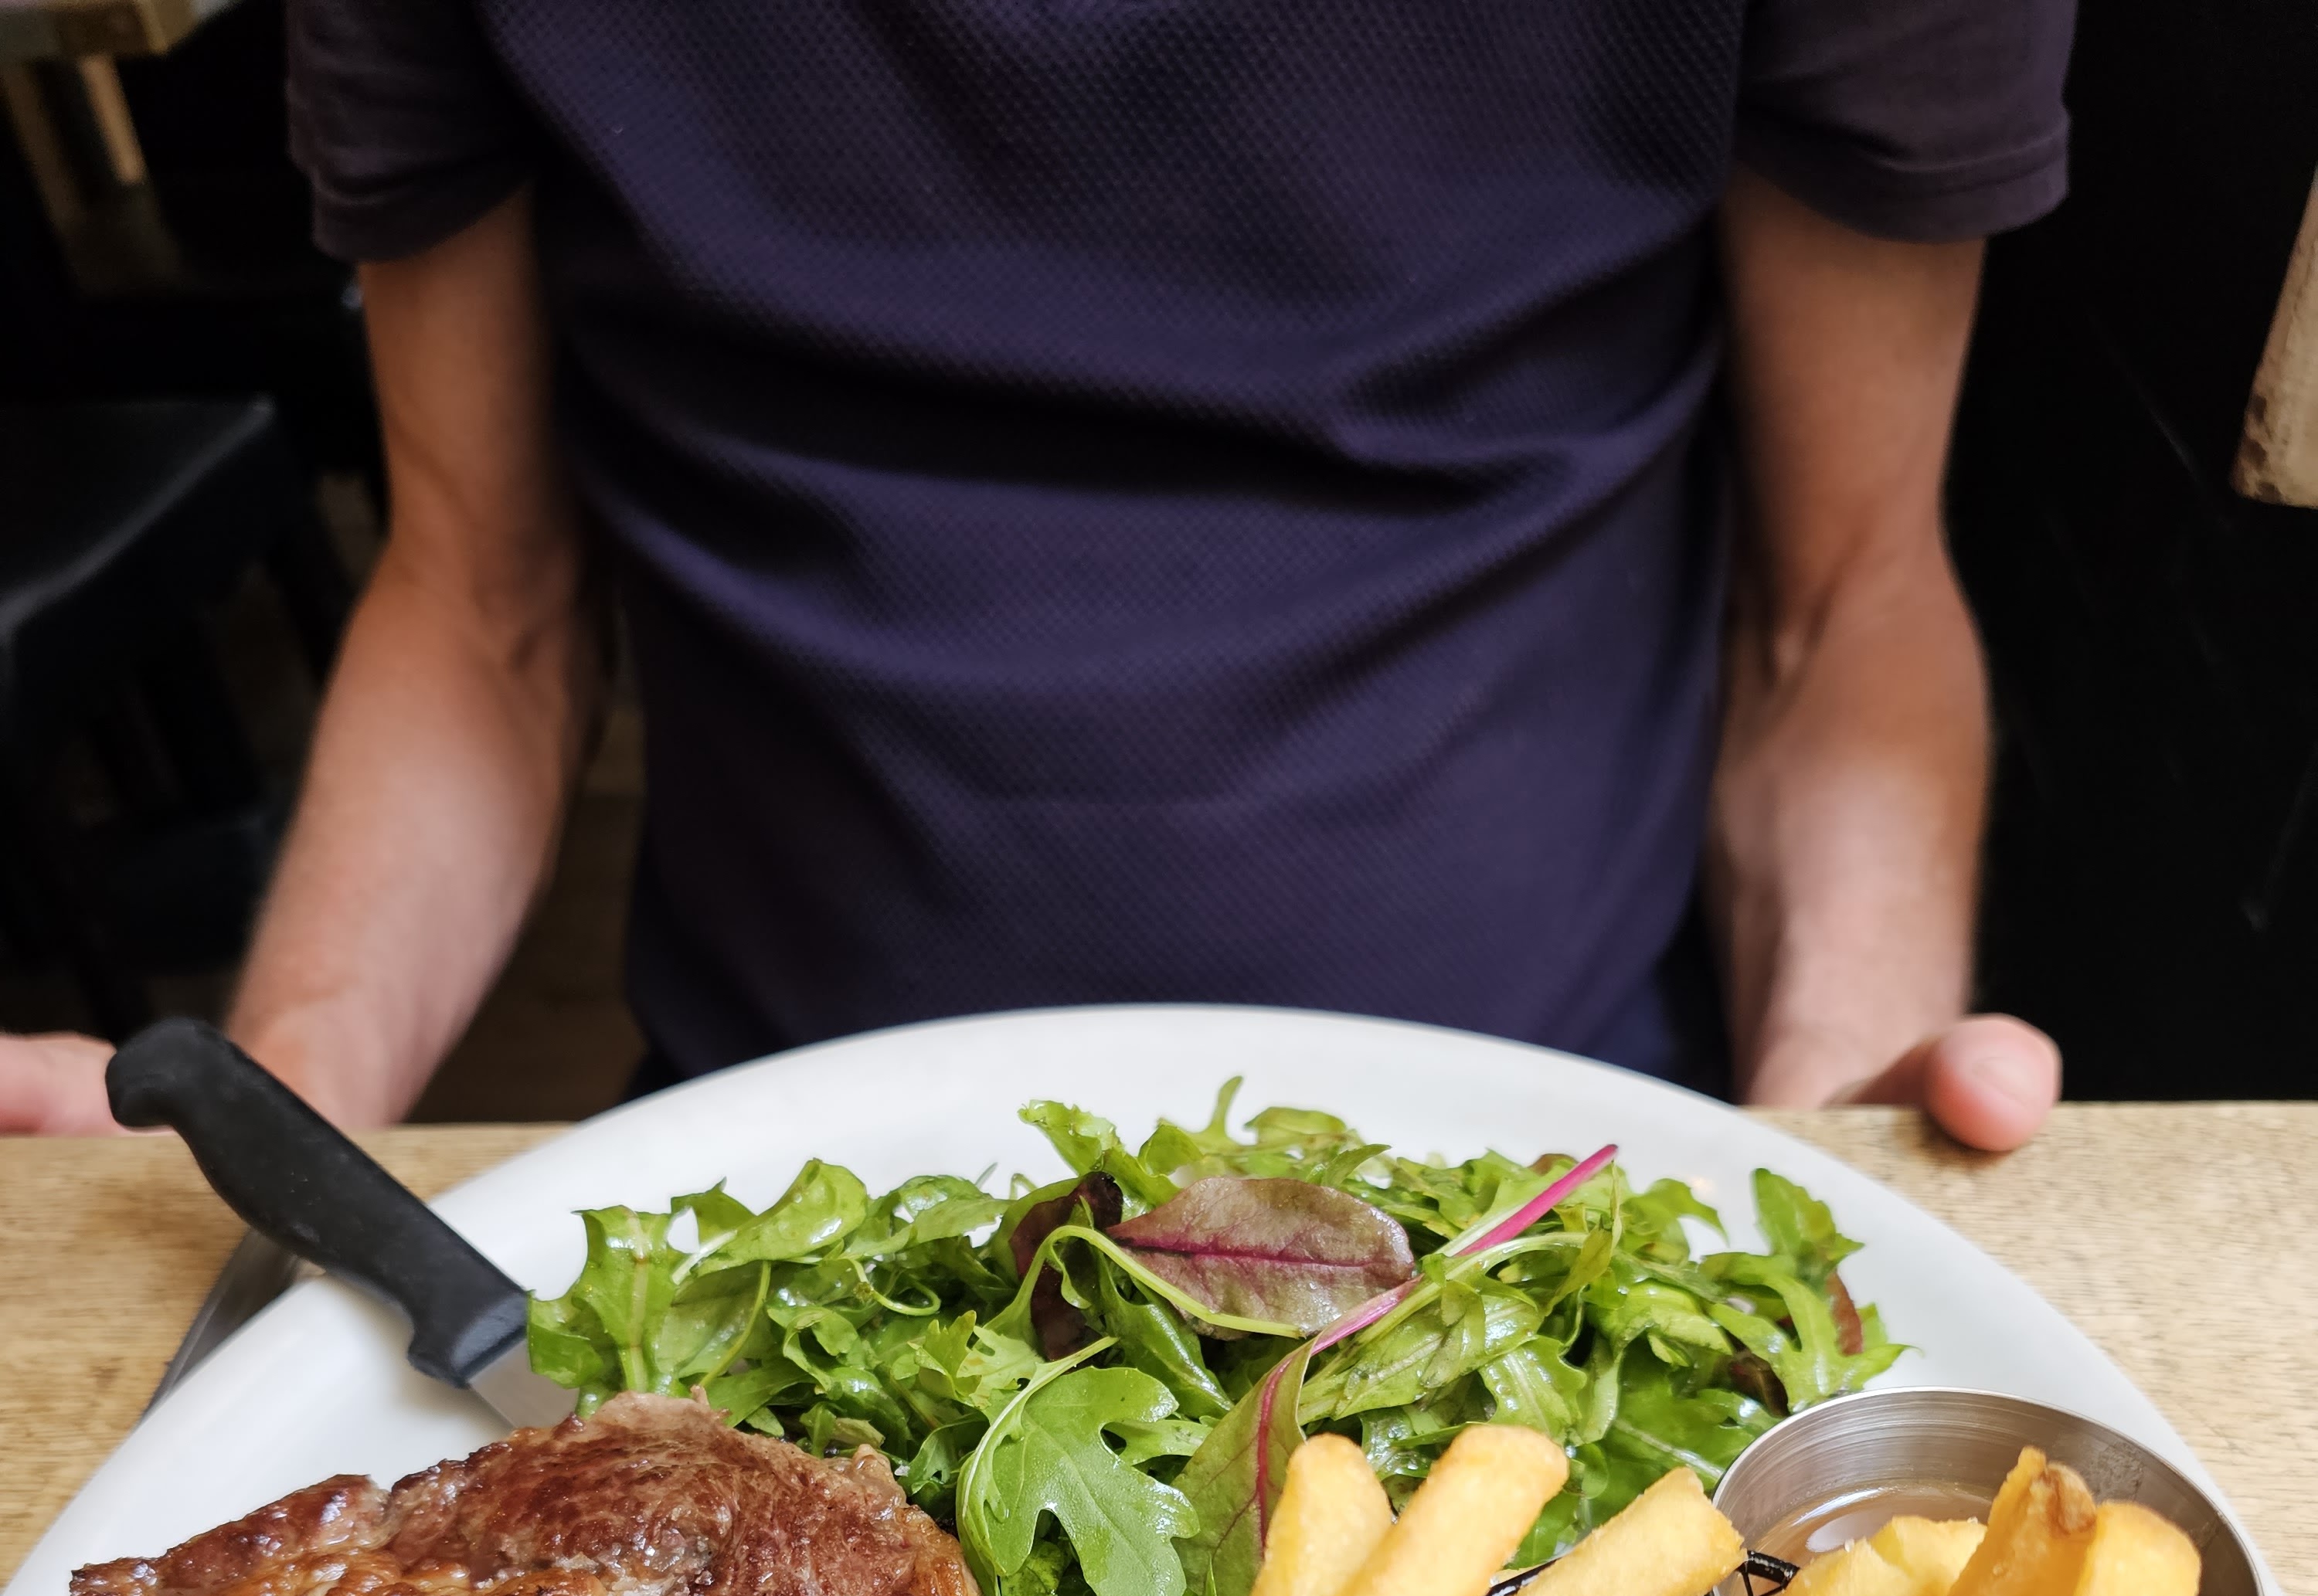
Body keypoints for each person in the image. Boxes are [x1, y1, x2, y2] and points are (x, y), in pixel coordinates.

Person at [3, 0, 2068, 1150]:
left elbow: (1842, 604)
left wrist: (1825, 1148)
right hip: (774, 1215)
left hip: (1553, 1186)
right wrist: (287, 1103)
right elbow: (483, 605)